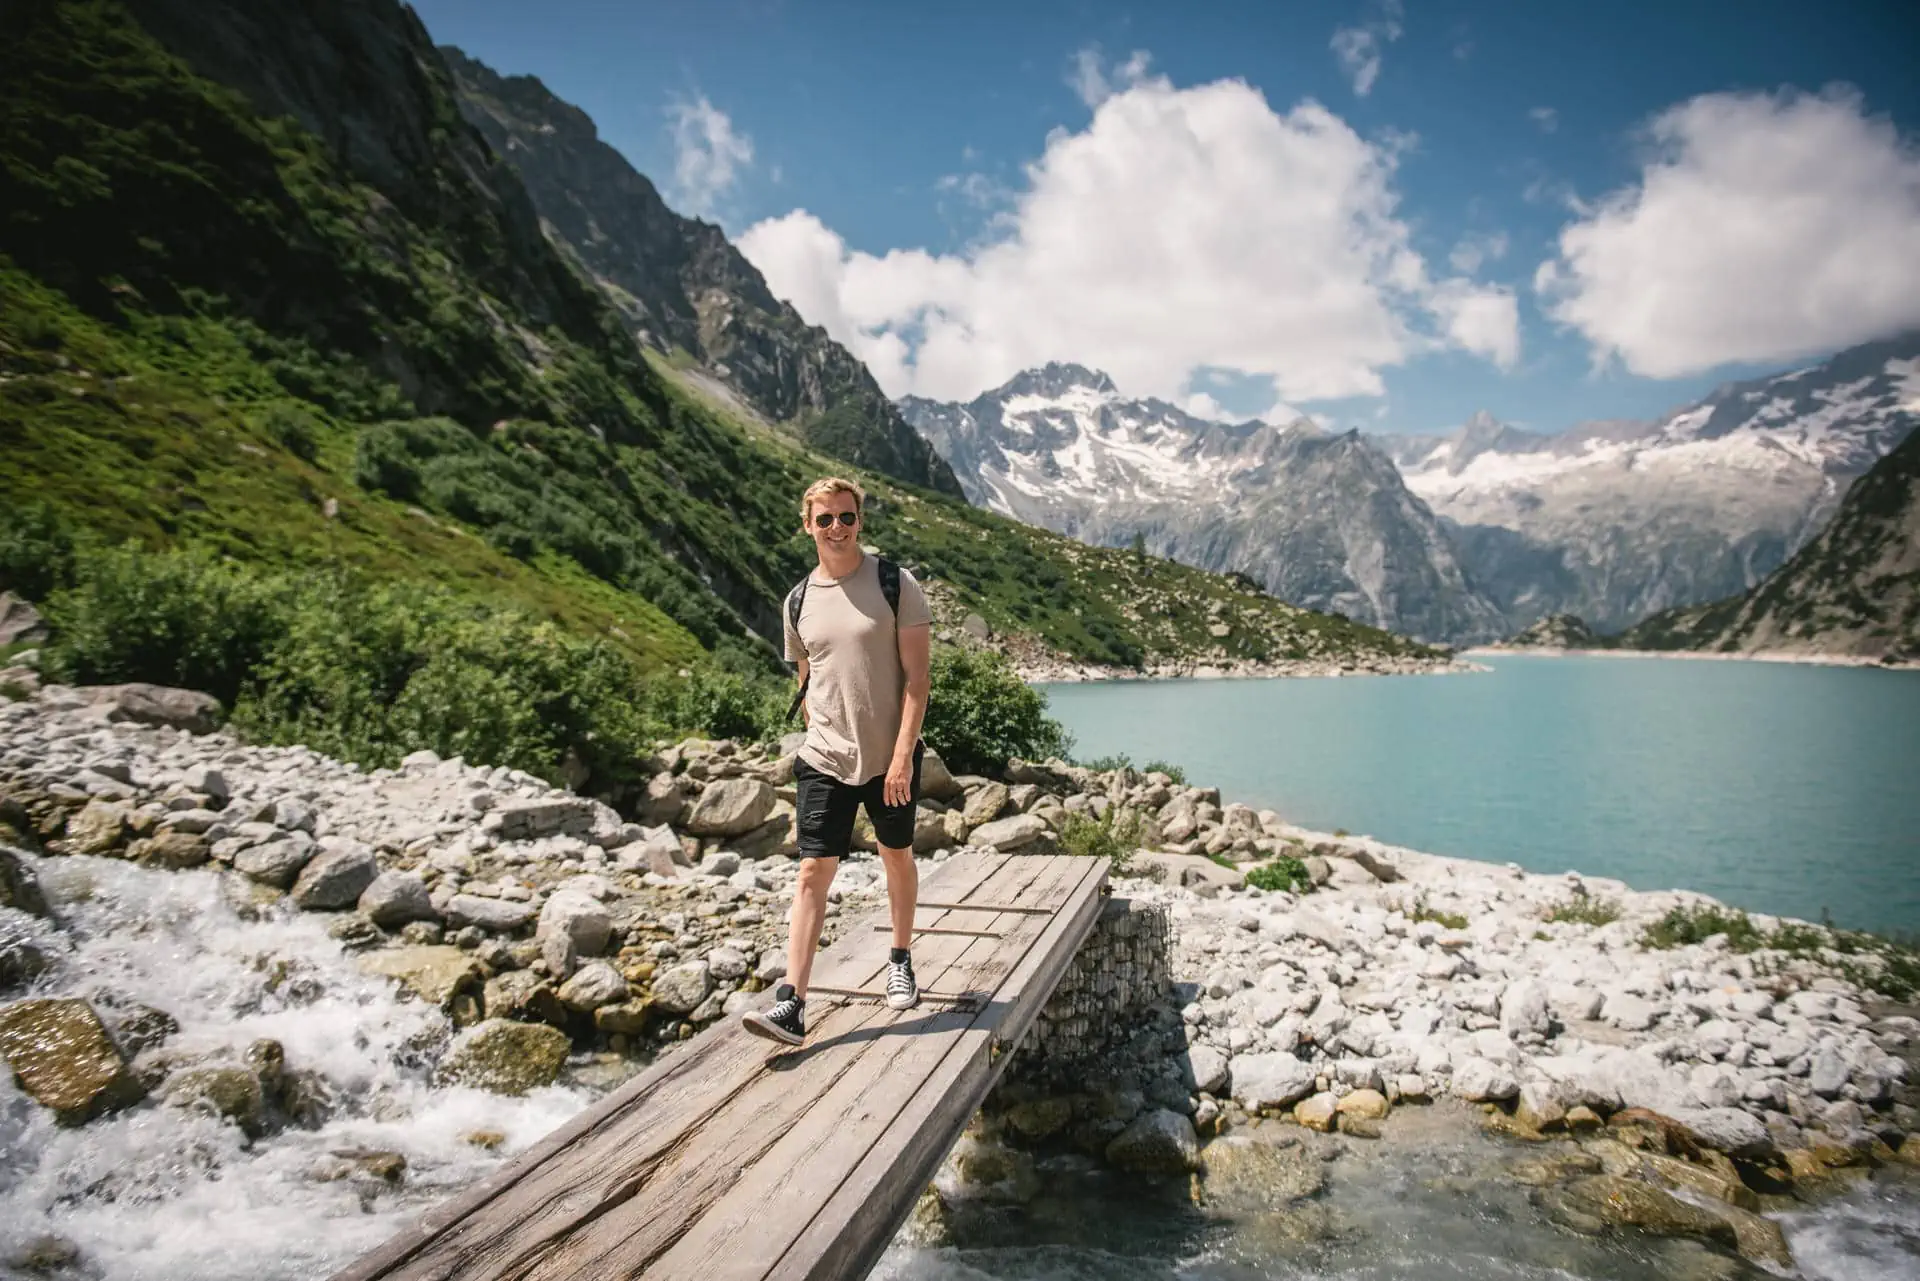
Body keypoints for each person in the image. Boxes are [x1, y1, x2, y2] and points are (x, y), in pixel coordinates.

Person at [741, 477, 933, 1046]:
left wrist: (901, 758)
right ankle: (792, 1003)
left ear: (860, 521)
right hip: (824, 756)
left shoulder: (896, 584)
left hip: (888, 758)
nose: (836, 528)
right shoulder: (797, 600)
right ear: (808, 525)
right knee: (811, 871)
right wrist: (822, 734)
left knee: (895, 855)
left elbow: (918, 682)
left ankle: (899, 958)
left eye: (846, 518)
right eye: (824, 519)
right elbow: (808, 679)